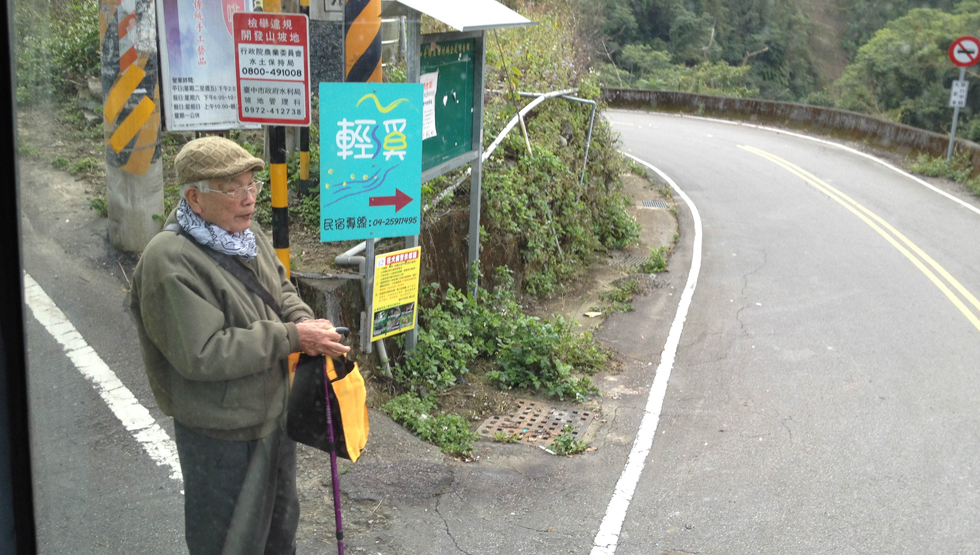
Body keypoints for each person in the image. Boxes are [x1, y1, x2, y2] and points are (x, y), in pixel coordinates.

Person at [130, 136, 349, 555]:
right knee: (229, 544)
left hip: (272, 419)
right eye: (235, 190)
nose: (249, 199)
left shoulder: (248, 234)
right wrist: (292, 338)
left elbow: (281, 290)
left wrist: (304, 321)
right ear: (194, 197)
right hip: (220, 436)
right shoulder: (169, 260)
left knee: (279, 536)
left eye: (253, 186)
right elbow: (204, 352)